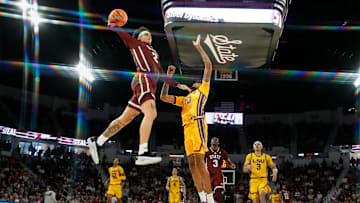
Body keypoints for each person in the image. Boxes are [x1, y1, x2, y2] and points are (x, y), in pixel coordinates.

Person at [87, 17, 191, 166]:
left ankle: (97, 142)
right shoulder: (137, 45)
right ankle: (142, 152)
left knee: (125, 119)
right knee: (151, 113)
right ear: (139, 38)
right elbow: (126, 37)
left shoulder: (153, 52)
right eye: (145, 34)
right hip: (144, 81)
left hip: (147, 84)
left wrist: (176, 84)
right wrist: (114, 26)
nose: (148, 36)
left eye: (149, 34)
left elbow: (160, 73)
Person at [160, 34, 215, 203]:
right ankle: (202, 197)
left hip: (197, 124)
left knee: (200, 162)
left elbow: (208, 66)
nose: (197, 81)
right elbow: (163, 97)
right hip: (187, 129)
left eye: (198, 81)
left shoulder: (202, 91)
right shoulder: (185, 99)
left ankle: (211, 198)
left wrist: (199, 47)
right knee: (191, 164)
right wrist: (168, 78)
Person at [205, 137, 236, 203]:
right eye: (213, 144)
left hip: (218, 174)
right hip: (208, 174)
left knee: (219, 190)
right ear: (210, 143)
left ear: (218, 144)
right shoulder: (206, 151)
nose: (214, 146)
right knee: (207, 193)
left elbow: (227, 160)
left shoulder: (222, 152)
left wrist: (231, 164)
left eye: (215, 144)